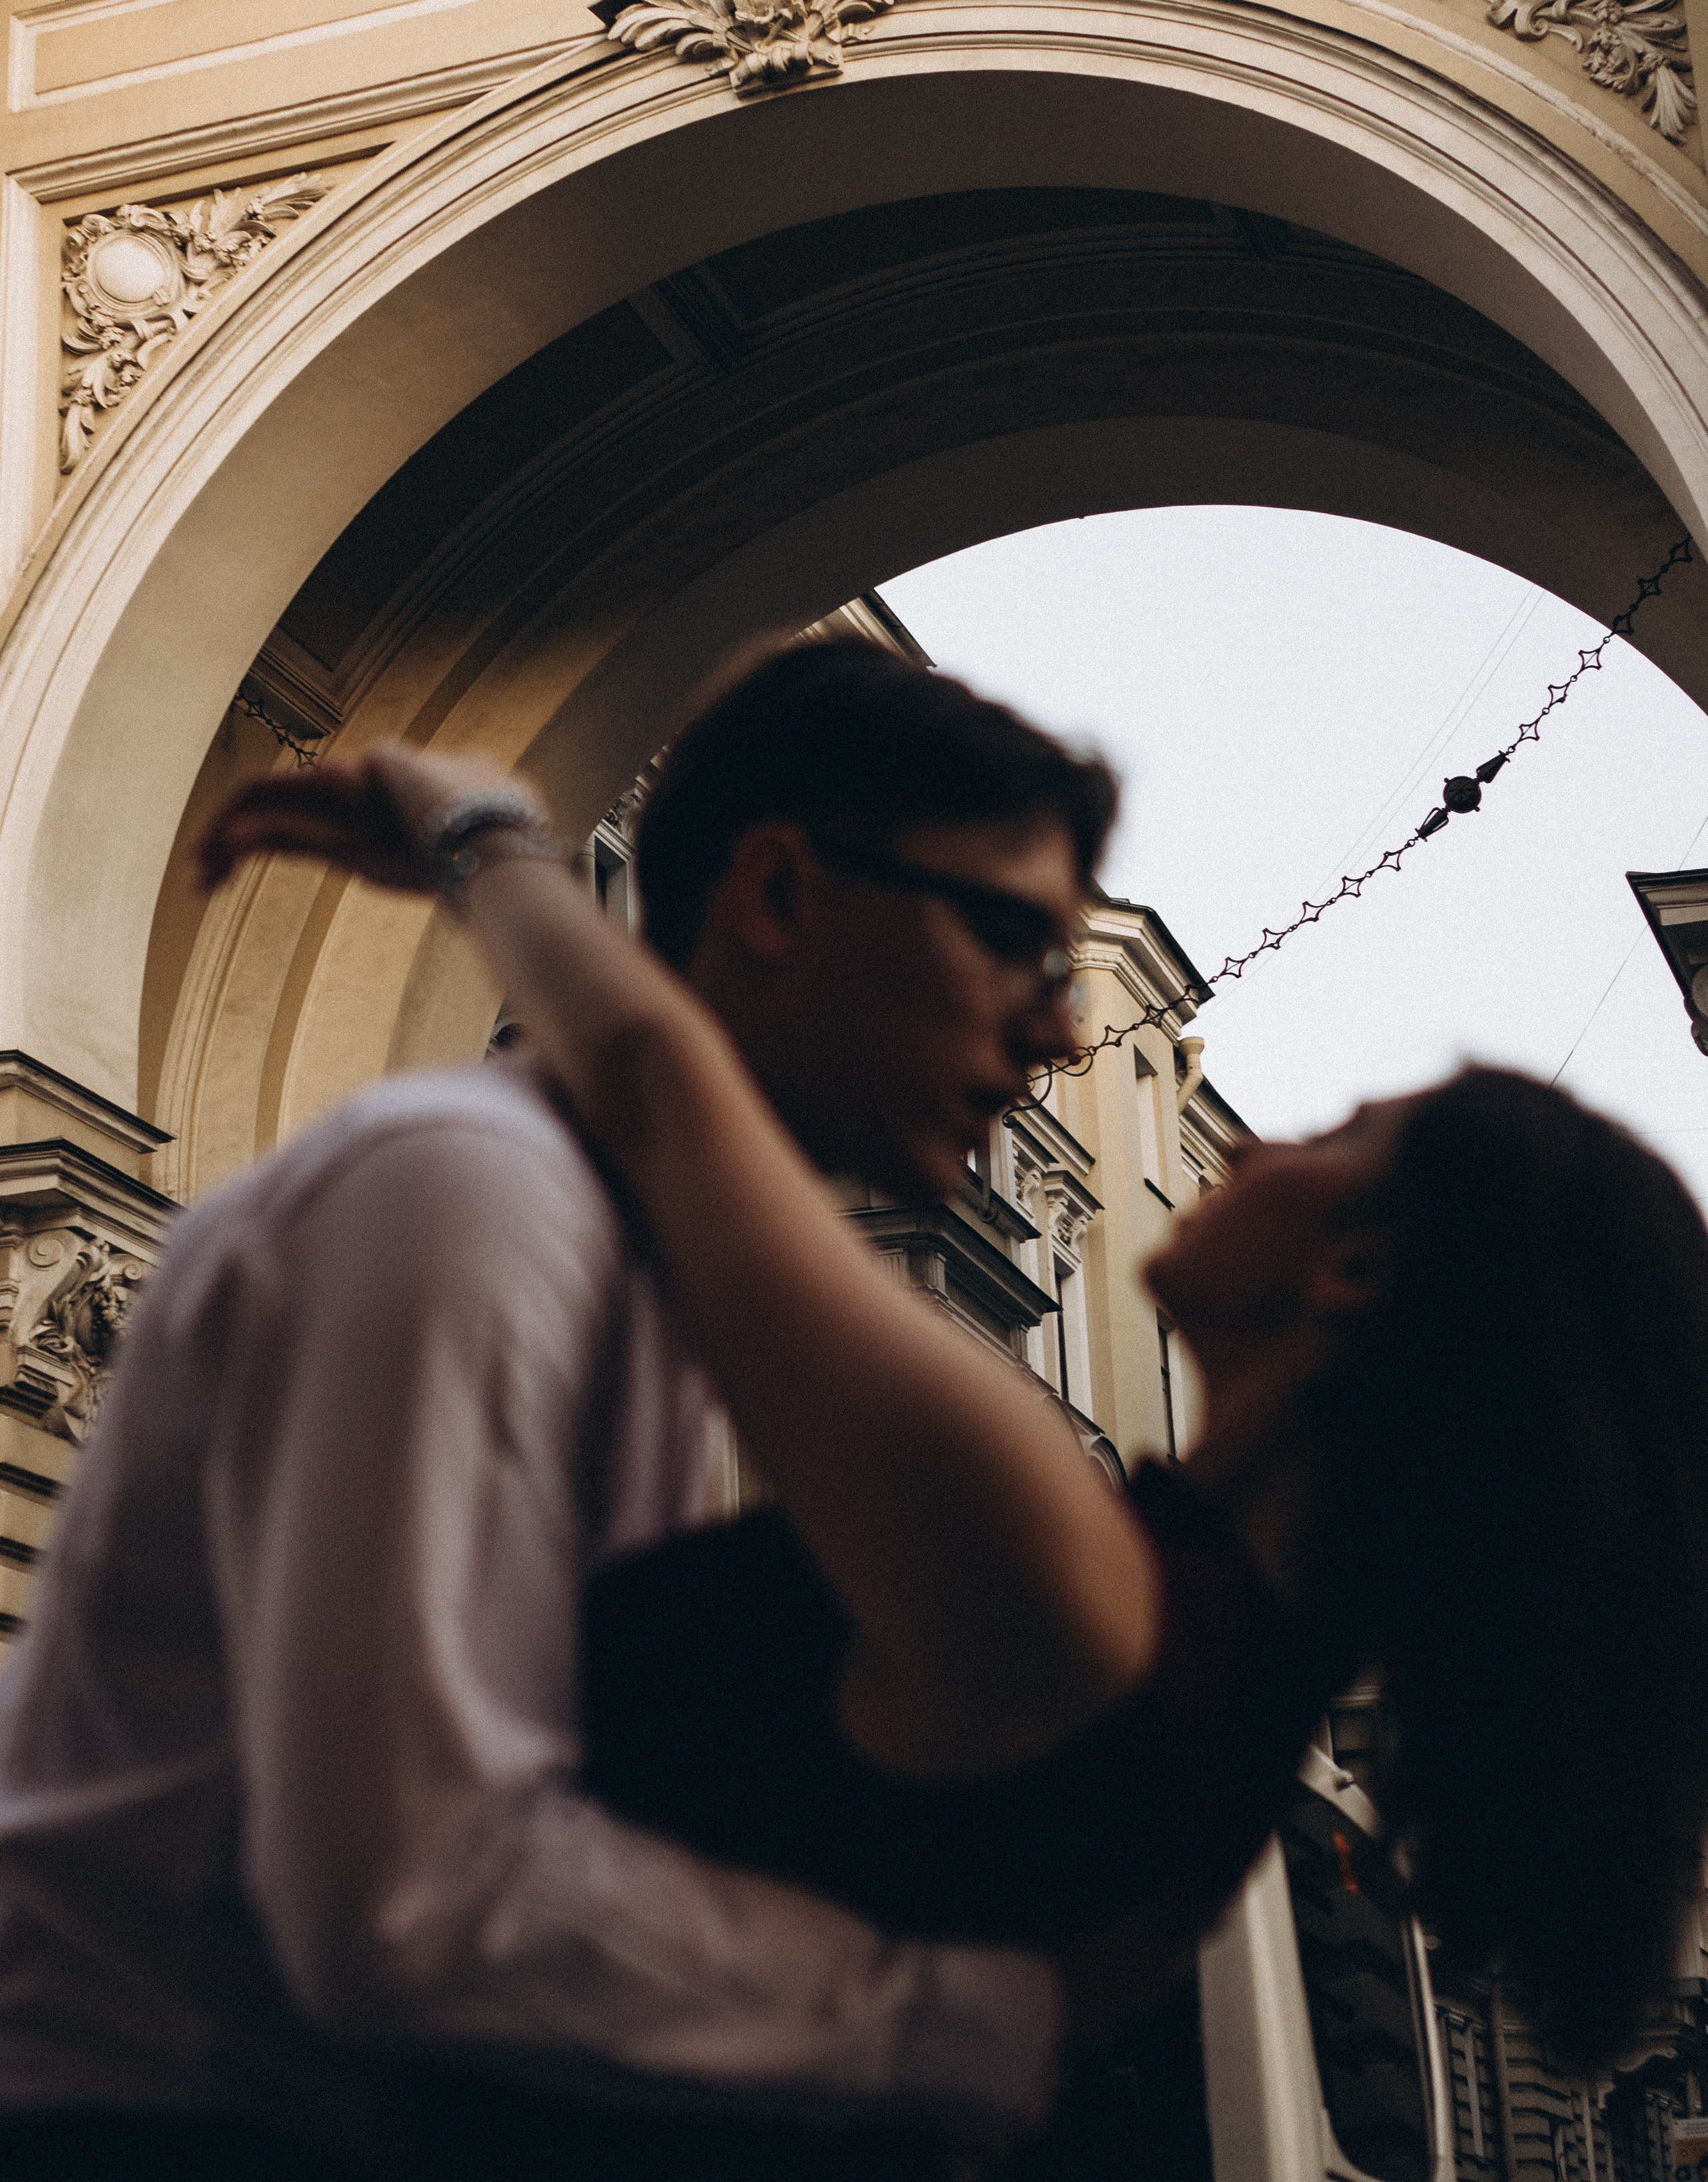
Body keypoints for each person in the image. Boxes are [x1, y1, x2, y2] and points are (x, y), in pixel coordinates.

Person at [201, 665, 1708, 2090]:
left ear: (1355, 1274)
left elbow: (664, 1093)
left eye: (1333, 1134)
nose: (1252, 1144)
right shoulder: (1228, 1696)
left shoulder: (1058, 1559)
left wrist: (481, 837)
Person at [0, 642, 1133, 2182]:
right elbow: (409, 1897)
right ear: (782, 894)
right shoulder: (471, 1194)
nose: (1059, 1033)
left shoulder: (639, 1262)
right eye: (1012, 940)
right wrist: (950, 2026)